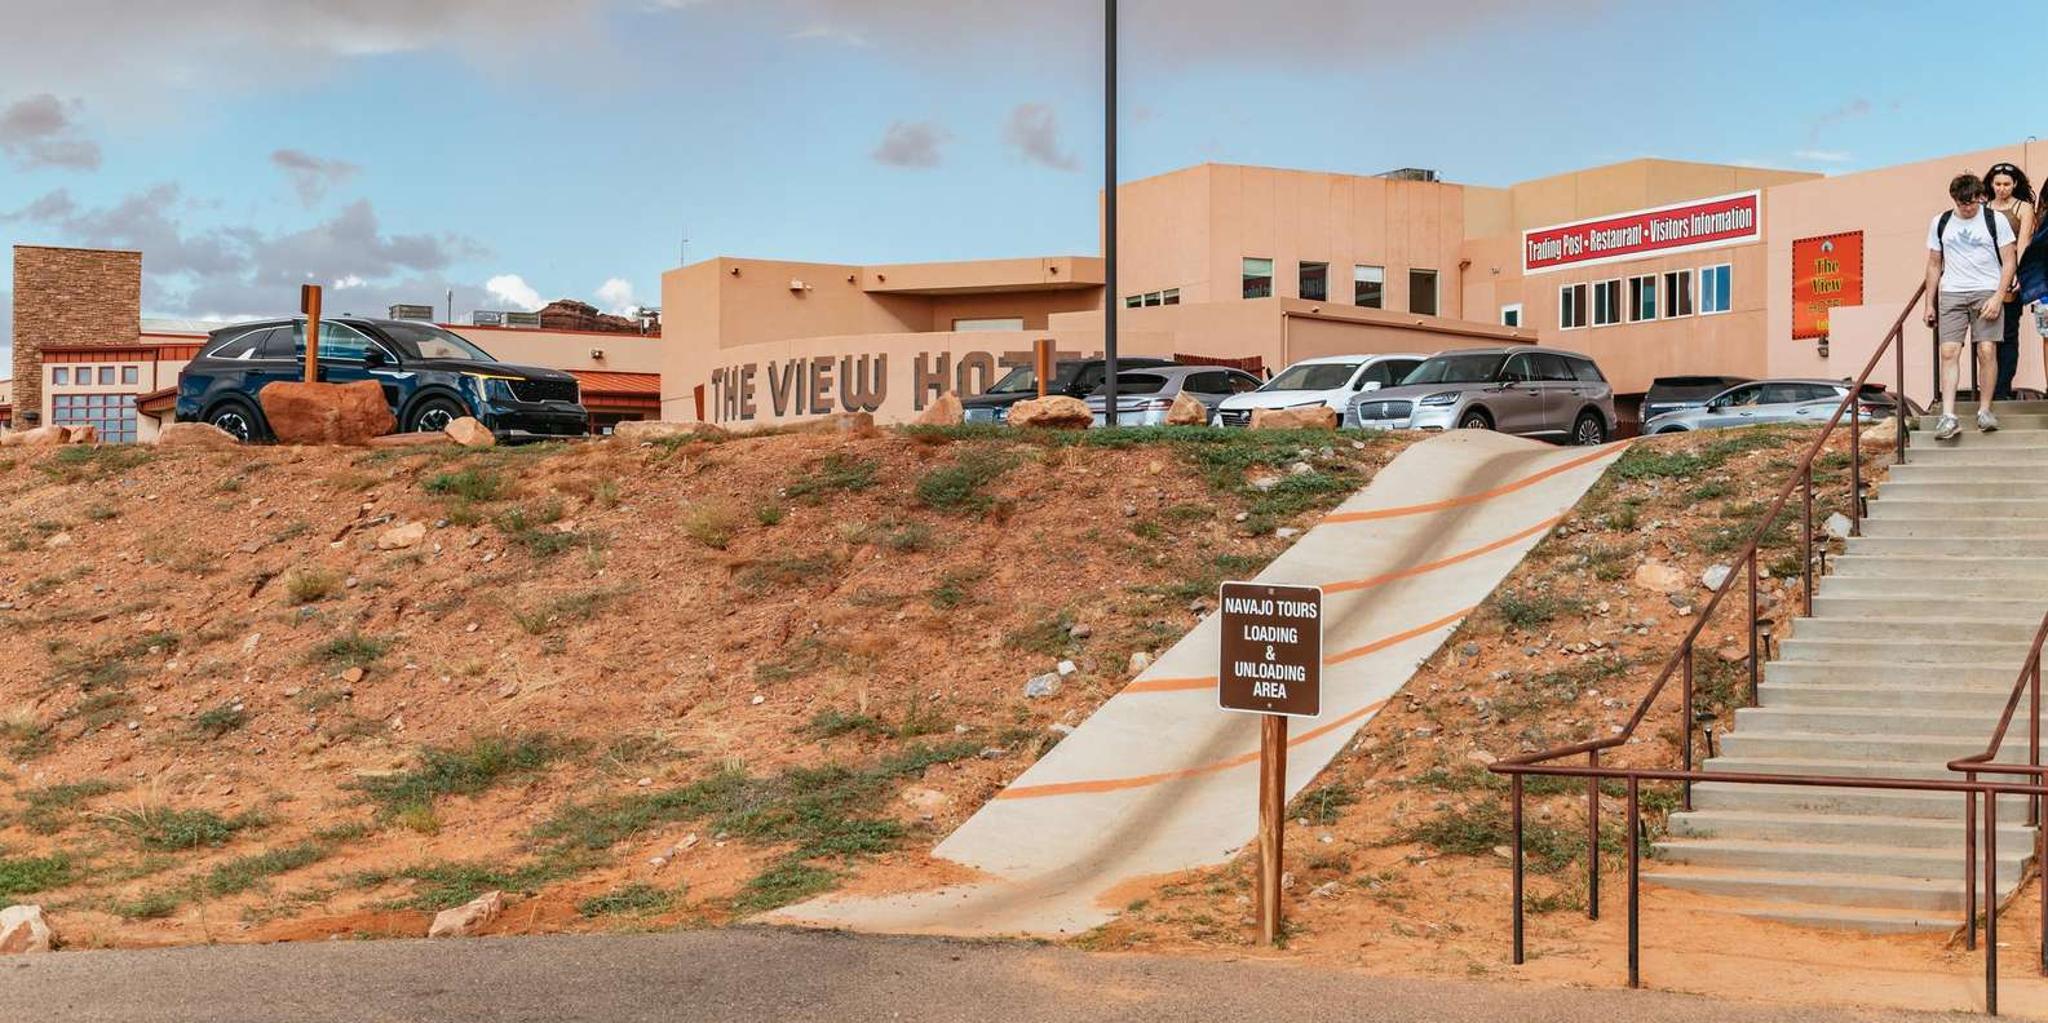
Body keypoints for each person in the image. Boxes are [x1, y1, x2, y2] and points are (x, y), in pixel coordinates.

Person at [1924, 172, 2017, 439]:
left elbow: (2009, 260)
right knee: (1949, 352)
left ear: (1980, 198)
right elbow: (1933, 264)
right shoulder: (1941, 222)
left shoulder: (1994, 219)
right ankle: (1948, 416)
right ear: (1954, 199)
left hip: (1986, 291)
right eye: (1962, 203)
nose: (1967, 208)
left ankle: (1985, 410)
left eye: (1972, 203)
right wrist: (1929, 303)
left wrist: (1999, 296)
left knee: (1987, 351)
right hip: (1952, 291)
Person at [1985, 162, 2036, 400]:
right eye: (1998, 184)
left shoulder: (2023, 208)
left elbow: (2024, 241)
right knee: (1986, 337)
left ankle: (2002, 390)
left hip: (2011, 274)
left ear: (2015, 184)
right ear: (1991, 185)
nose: (2002, 188)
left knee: (2007, 334)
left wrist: (2019, 272)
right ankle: (1986, 388)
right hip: (1984, 276)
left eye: (2007, 184)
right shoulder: (1983, 208)